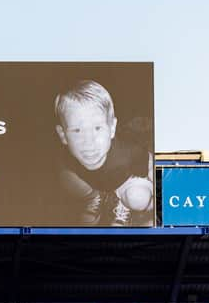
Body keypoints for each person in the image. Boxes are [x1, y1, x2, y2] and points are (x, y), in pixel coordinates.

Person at [54, 80, 153, 226]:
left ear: (112, 128)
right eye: (77, 130)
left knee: (139, 198)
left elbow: (148, 160)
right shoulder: (67, 155)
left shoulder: (128, 152)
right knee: (65, 178)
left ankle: (123, 203)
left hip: (124, 181)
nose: (88, 142)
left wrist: (152, 193)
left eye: (97, 128)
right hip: (97, 182)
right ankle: (95, 197)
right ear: (62, 135)